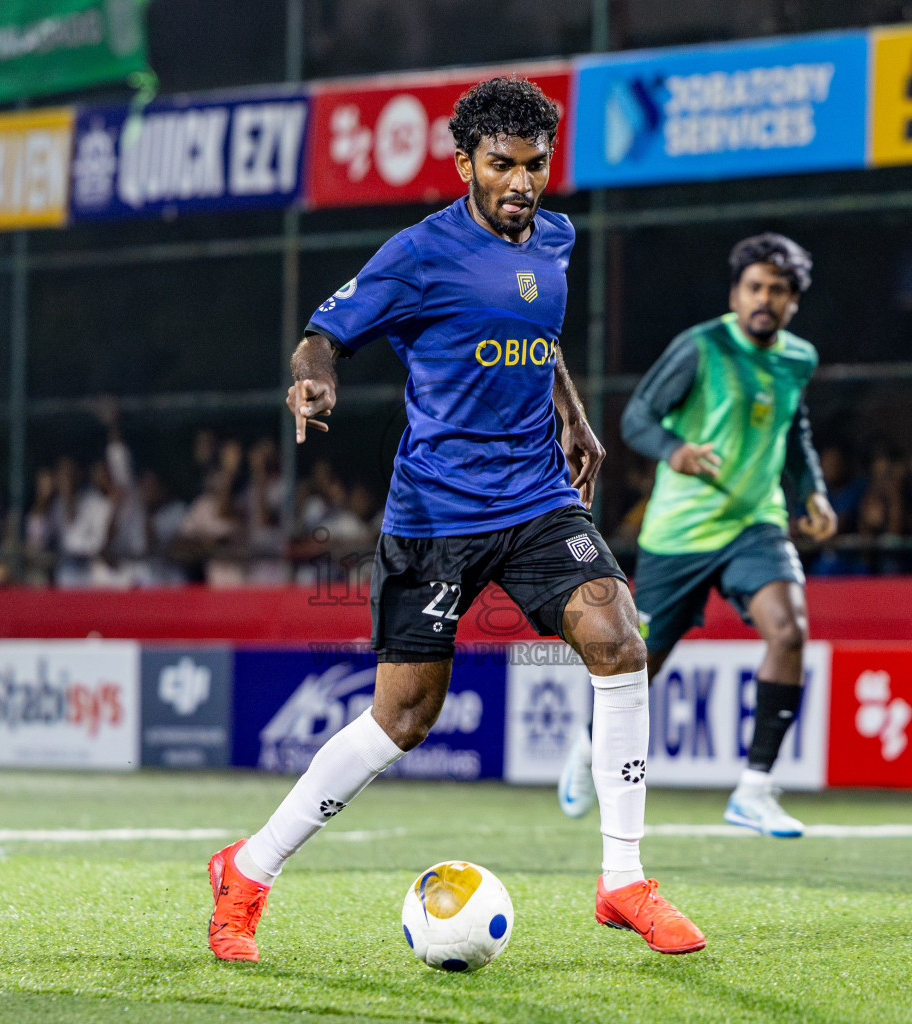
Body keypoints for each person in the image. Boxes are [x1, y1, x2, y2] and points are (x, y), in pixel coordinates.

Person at [206, 76, 704, 962]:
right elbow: (325, 331)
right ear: (465, 161)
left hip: (538, 497)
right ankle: (246, 870)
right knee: (403, 719)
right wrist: (314, 375)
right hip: (437, 513)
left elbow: (535, 332)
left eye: (536, 164)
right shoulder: (418, 253)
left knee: (620, 641)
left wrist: (573, 412)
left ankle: (623, 880)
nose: (522, 182)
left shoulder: (555, 235)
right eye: (502, 164)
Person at [557, 232, 837, 838]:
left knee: (789, 633)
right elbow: (635, 418)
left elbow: (793, 431)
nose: (765, 299)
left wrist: (809, 489)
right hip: (678, 535)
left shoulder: (798, 359)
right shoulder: (701, 346)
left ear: (793, 301)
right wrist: (675, 450)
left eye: (778, 291)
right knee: (637, 666)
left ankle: (755, 790)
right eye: (755, 287)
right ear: (736, 292)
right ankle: (585, 748)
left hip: (754, 524)